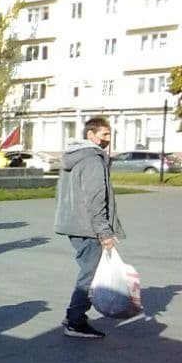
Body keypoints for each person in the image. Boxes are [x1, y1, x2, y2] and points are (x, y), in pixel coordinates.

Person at [54, 116, 122, 339]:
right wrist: (105, 232)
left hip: (73, 223)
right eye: (104, 135)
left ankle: (72, 315)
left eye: (110, 135)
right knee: (89, 275)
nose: (108, 139)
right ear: (90, 135)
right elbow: (95, 199)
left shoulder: (74, 157)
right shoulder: (92, 159)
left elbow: (61, 194)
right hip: (88, 226)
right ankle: (75, 321)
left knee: (88, 271)